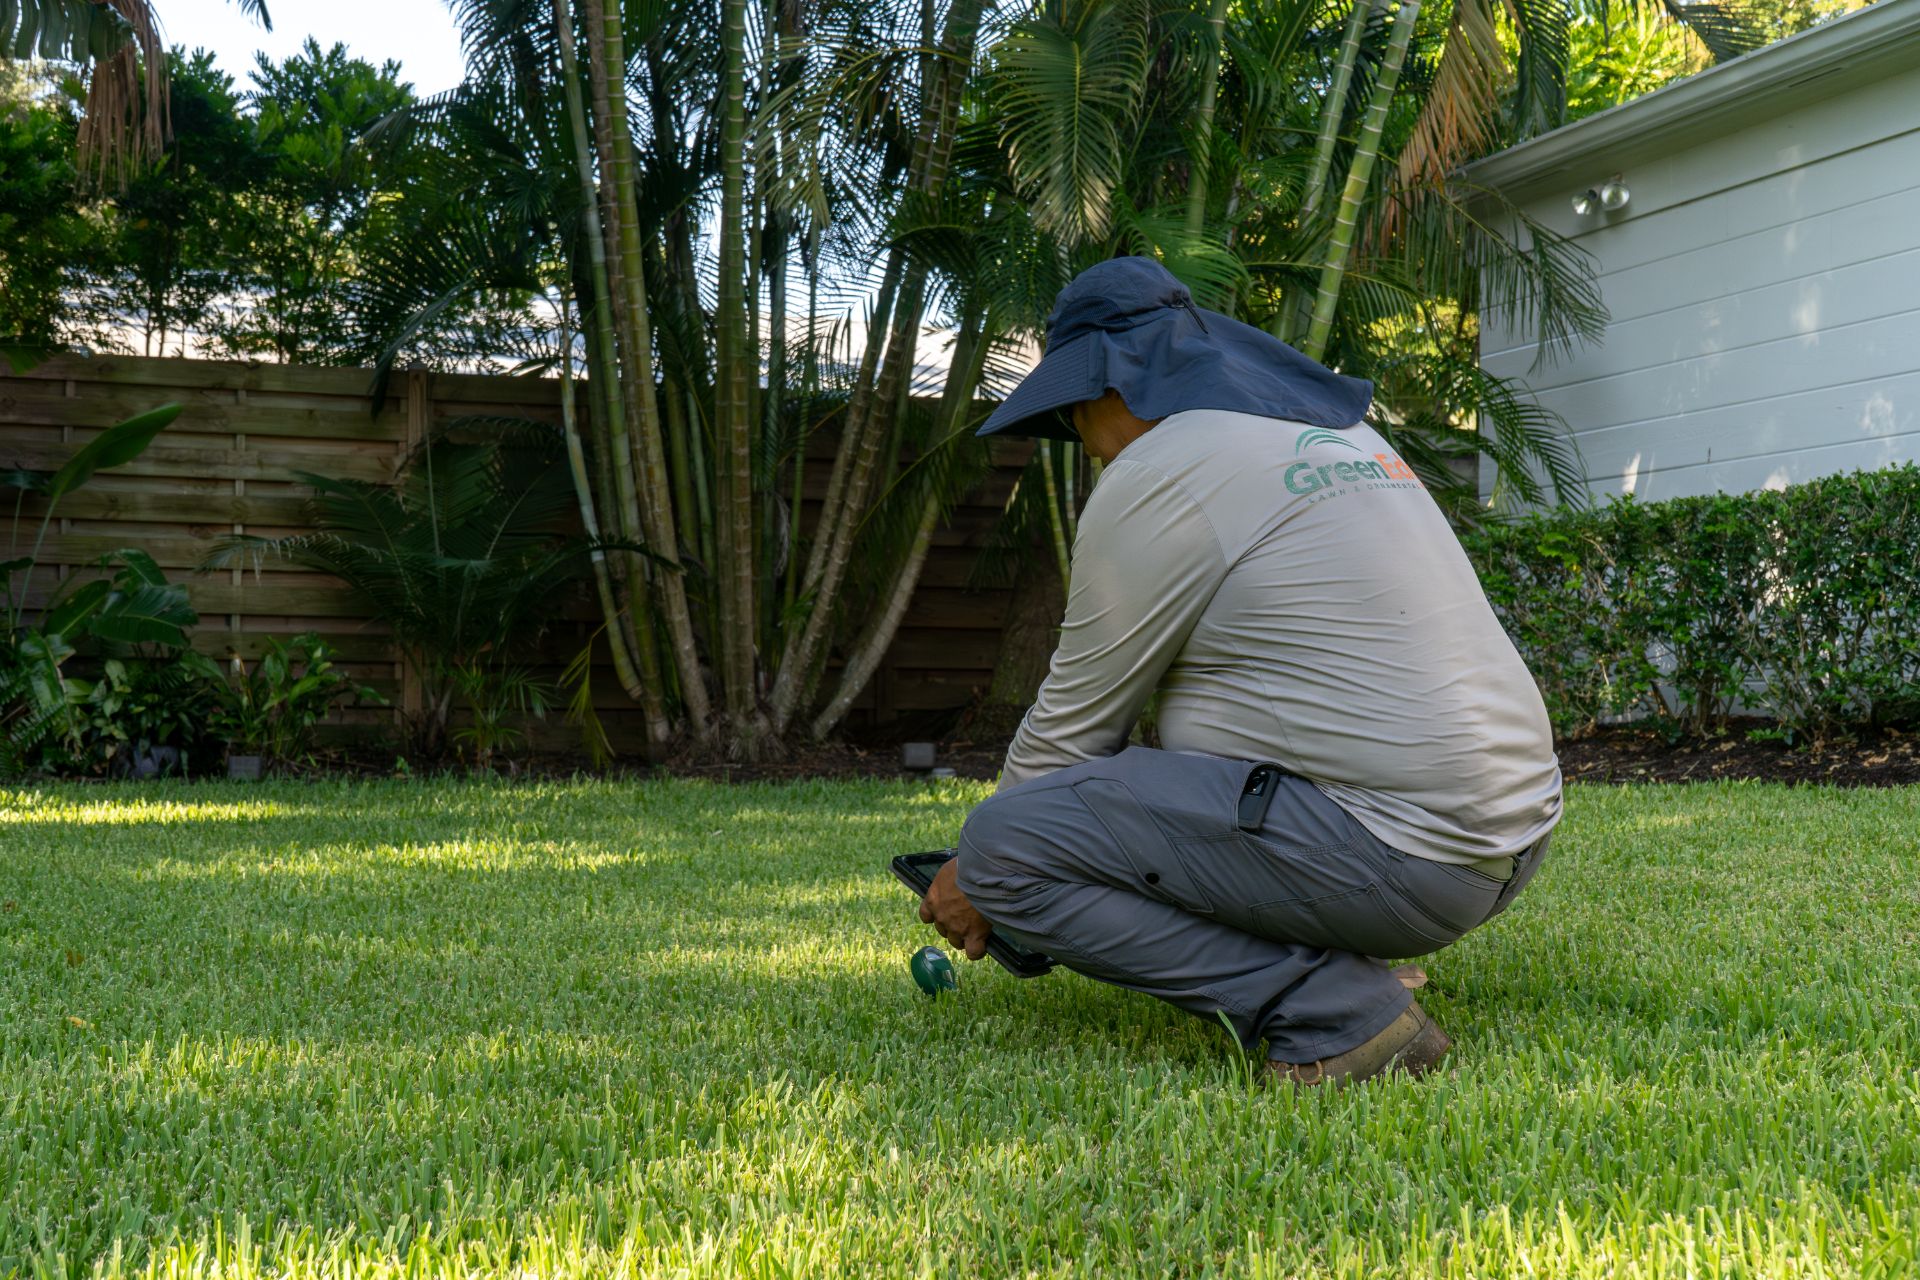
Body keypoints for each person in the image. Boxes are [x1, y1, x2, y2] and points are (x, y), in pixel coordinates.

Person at [917, 256, 1561, 1085]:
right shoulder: (1331, 432)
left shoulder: (1161, 470)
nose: (1083, 438)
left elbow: (1074, 728)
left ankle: (1337, 1011)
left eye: (1075, 412)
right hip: (1514, 837)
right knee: (1180, 769)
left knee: (1008, 845)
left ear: (1108, 387)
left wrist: (981, 874)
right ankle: (1340, 962)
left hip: (1409, 857)